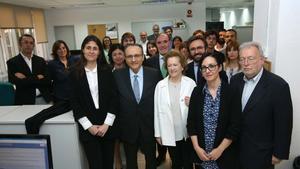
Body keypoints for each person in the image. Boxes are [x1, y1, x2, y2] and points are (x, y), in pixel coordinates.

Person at [230, 41, 293, 169]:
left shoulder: (278, 86)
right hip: (235, 149)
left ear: (262, 60)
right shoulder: (235, 80)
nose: (246, 63)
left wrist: (279, 153)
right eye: (242, 59)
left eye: (250, 58)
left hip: (262, 153)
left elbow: (284, 123)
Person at [69, 35, 118, 169]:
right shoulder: (74, 72)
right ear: (83, 50)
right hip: (88, 128)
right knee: (95, 165)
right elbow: (74, 102)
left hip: (107, 126)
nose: (91, 51)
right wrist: (89, 126)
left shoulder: (107, 70)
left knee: (108, 164)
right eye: (88, 48)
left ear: (99, 52)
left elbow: (114, 98)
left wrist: (107, 124)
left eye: (95, 48)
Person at [187, 53, 240, 169]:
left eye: (212, 66)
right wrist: (197, 148)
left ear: (220, 67)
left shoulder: (231, 92)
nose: (208, 70)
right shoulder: (197, 92)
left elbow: (235, 126)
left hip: (224, 154)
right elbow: (191, 123)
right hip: (202, 155)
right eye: (204, 67)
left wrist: (220, 149)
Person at [114, 44, 161, 169]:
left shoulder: (154, 74)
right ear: (125, 58)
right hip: (127, 127)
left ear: (142, 57)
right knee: (131, 163)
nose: (133, 59)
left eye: (137, 55)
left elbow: (160, 100)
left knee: (151, 161)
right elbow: (114, 102)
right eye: (129, 56)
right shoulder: (117, 76)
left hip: (149, 126)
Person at [25, 40, 79, 134]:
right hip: (61, 98)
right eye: (59, 49)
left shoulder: (75, 60)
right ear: (55, 51)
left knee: (74, 121)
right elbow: (46, 81)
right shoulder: (52, 64)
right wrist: (48, 97)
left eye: (63, 48)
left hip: (75, 97)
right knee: (59, 121)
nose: (62, 50)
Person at [154, 50, 196, 169]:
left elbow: (197, 108)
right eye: (169, 65)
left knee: (188, 163)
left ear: (182, 66)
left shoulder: (191, 83)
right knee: (176, 163)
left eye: (175, 65)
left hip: (187, 133)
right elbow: (157, 112)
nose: (172, 68)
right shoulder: (160, 86)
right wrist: (158, 134)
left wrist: (192, 104)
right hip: (169, 132)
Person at [144, 33, 170, 166]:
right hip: (156, 103)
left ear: (169, 42)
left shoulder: (176, 58)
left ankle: (175, 157)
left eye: (165, 41)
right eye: (159, 43)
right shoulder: (149, 62)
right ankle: (161, 155)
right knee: (159, 131)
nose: (163, 45)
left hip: (173, 103)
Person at [6, 34, 51, 105]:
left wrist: (25, 78)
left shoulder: (41, 60)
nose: (28, 45)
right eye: (26, 42)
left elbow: (47, 80)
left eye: (31, 43)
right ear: (20, 45)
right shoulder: (12, 62)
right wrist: (37, 77)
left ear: (33, 46)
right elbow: (15, 81)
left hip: (44, 98)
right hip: (24, 101)